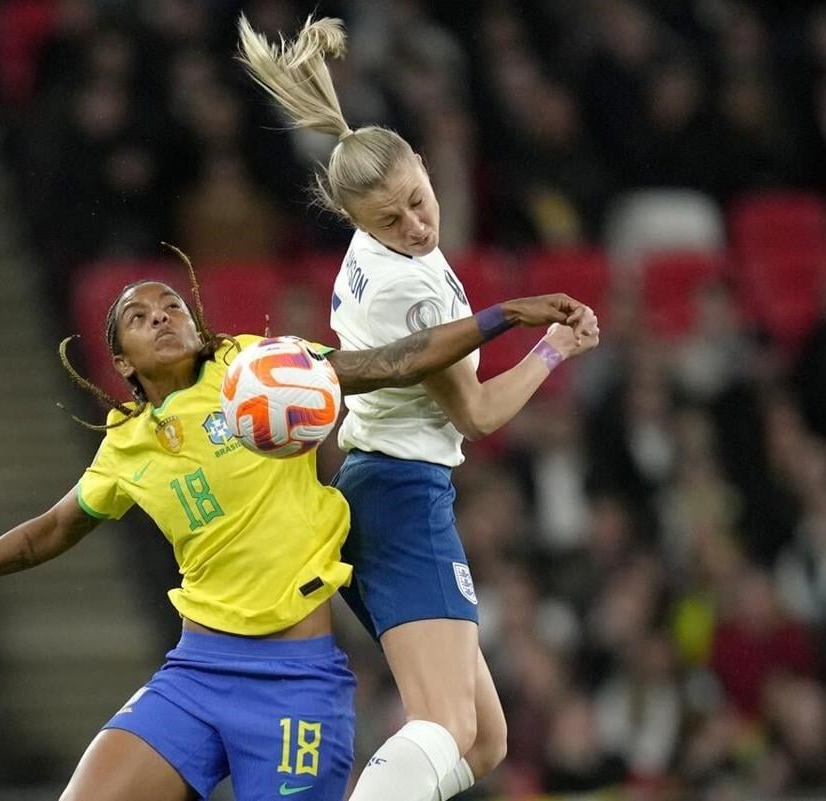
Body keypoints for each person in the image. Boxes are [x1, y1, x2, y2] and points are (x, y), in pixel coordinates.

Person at [0, 251, 588, 801]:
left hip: (296, 686)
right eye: (140, 315)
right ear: (122, 362)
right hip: (195, 674)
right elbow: (50, 530)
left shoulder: (257, 366)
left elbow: (386, 364)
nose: (164, 316)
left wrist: (502, 316)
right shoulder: (126, 445)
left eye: (172, 305)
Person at [237, 17, 601, 801]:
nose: (416, 225)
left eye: (416, 201)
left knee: (489, 739)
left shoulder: (385, 256)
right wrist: (553, 353)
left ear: (427, 168)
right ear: (358, 224)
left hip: (385, 490)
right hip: (402, 499)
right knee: (443, 727)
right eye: (391, 220)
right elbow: (476, 414)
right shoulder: (411, 286)